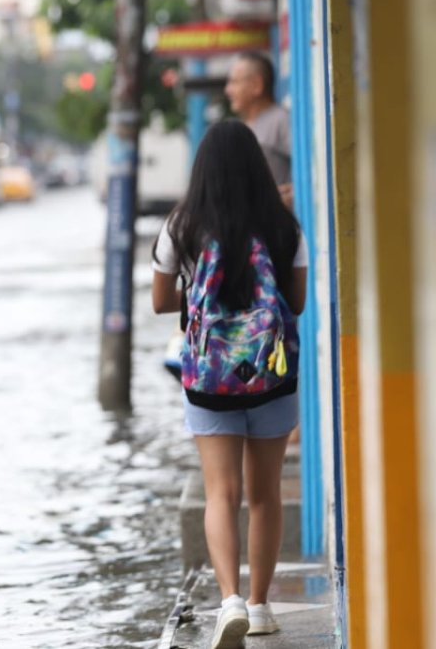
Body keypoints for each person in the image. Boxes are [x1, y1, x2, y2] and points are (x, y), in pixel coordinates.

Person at [152, 120, 307, 648]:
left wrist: (204, 300)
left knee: (222, 492)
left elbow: (159, 301)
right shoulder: (285, 227)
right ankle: (261, 606)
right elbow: (298, 303)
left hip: (209, 378)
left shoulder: (181, 226)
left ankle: (229, 601)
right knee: (263, 495)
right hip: (272, 376)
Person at [224, 51, 294, 208]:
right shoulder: (244, 126)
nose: (227, 90)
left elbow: (314, 169)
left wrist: (297, 192)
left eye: (234, 82)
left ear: (257, 85)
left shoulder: (281, 120)